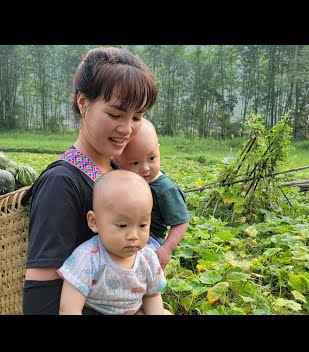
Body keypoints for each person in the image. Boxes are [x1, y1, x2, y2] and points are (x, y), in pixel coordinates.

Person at [21, 47, 158, 315]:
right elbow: (40, 305)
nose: (127, 128)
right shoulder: (61, 185)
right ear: (83, 103)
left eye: (138, 117)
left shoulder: (117, 170)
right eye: (115, 115)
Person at [57, 170, 168, 315]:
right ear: (94, 222)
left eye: (142, 225)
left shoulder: (148, 258)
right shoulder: (87, 258)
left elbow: (152, 296)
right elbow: (69, 309)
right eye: (122, 225)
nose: (134, 236)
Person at [114, 119, 190, 269]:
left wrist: (167, 248)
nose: (145, 168)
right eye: (135, 163)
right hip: (124, 231)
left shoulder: (165, 189)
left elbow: (181, 221)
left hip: (150, 240)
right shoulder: (121, 176)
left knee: (136, 268)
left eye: (151, 159)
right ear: (117, 160)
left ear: (158, 150)